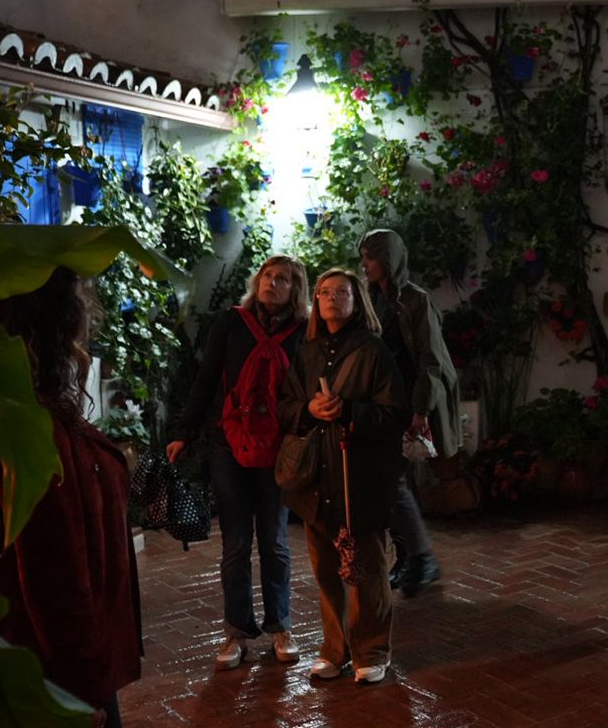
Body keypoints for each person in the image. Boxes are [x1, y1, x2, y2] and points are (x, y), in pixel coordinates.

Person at [0, 267, 143, 728]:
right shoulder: (28, 428)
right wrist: (79, 694)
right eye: (80, 311)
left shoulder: (35, 413)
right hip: (55, 664)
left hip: (56, 659)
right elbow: (51, 574)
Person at [167, 255, 310, 670]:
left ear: (295, 290)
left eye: (283, 279)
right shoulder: (232, 322)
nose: (272, 284)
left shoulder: (304, 331)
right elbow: (207, 377)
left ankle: (280, 627)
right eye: (268, 276)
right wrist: (183, 431)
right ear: (257, 281)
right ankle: (236, 632)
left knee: (275, 542)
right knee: (235, 544)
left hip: (278, 449)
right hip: (228, 445)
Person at [278, 268, 406, 684]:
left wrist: (349, 412)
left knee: (366, 567)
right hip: (317, 476)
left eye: (342, 292)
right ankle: (335, 649)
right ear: (315, 301)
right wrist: (309, 410)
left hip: (359, 476)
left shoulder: (373, 351)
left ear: (357, 300)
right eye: (324, 292)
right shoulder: (306, 351)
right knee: (326, 570)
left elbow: (395, 415)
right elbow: (285, 406)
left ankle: (372, 650)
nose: (332, 298)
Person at [357, 228, 461, 597]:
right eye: (363, 257)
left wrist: (421, 410)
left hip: (409, 401)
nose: (364, 265)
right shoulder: (369, 296)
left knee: (393, 481)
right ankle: (410, 558)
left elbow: (431, 359)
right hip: (383, 403)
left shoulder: (415, 300)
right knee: (391, 482)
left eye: (370, 257)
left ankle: (420, 557)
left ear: (388, 259)